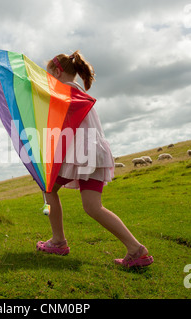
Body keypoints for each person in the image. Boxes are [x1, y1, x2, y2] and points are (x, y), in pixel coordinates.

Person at [36, 51, 153, 268]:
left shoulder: (66, 93)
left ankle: (58, 241)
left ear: (58, 71)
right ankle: (137, 250)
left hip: (82, 153)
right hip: (95, 153)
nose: (48, 80)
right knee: (93, 207)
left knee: (49, 188)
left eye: (49, 75)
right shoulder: (77, 92)